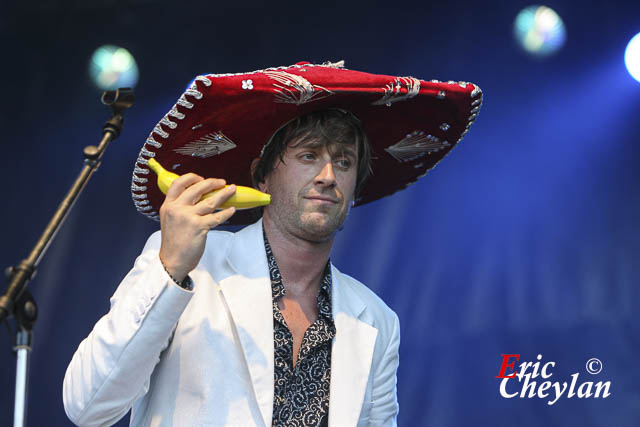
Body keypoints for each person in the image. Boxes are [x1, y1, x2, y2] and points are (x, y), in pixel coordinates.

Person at [63, 61, 481, 426]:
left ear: (355, 186)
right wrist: (171, 268)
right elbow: (88, 407)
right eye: (308, 156)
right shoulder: (190, 264)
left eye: (345, 161)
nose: (328, 176)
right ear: (261, 177)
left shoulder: (376, 320)